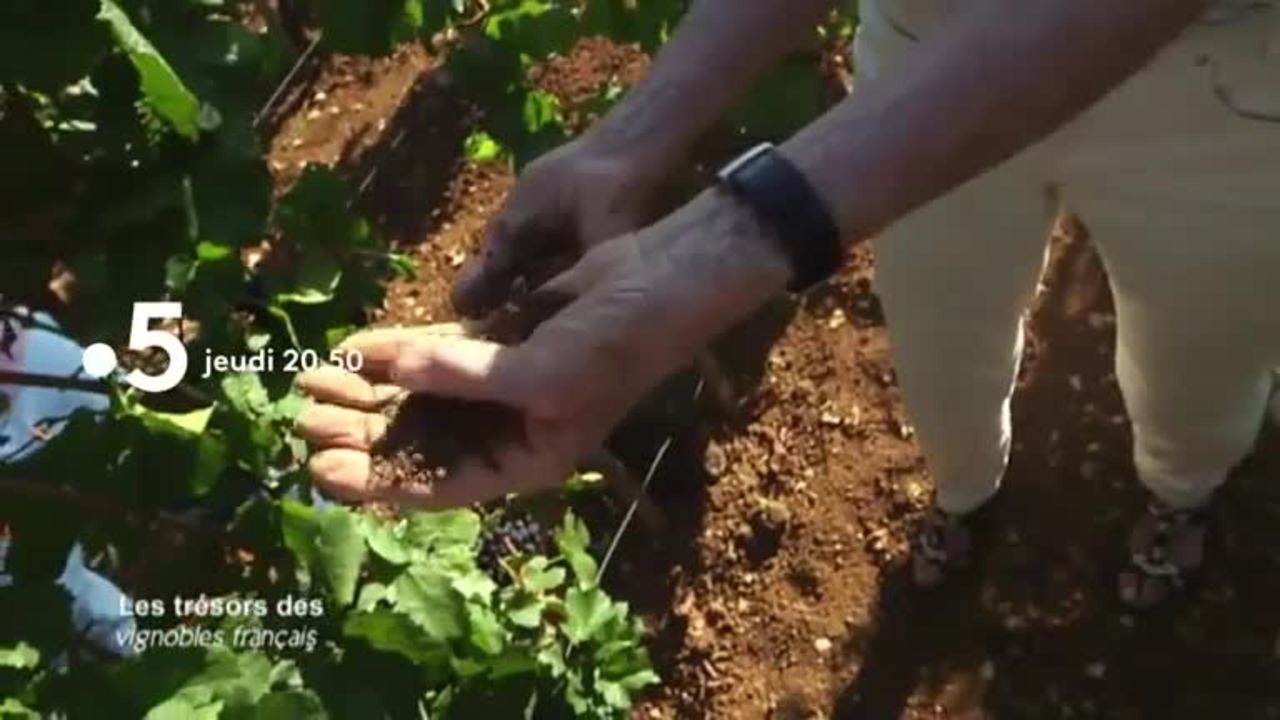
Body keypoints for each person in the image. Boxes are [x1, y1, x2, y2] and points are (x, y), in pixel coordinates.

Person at [295, 0, 1280, 608]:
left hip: (1222, 89)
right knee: (939, 329)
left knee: (1201, 354)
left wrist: (707, 251)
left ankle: (1176, 491)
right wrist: (629, 140)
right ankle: (963, 492)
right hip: (924, 45)